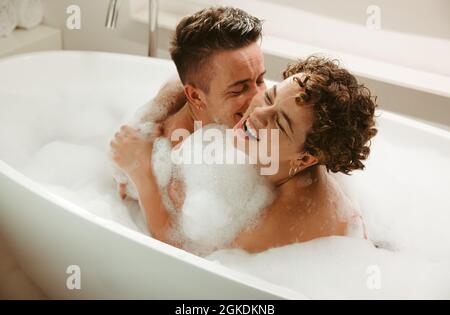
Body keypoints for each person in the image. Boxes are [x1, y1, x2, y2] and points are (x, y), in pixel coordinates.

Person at [111, 56, 377, 253]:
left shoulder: (282, 218)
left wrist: (142, 173)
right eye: (271, 96)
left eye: (280, 123)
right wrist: (153, 113)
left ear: (305, 159)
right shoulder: (271, 148)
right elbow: (187, 80)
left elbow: (182, 253)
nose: (258, 113)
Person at [114, 6, 267, 199]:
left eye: (261, 80)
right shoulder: (174, 167)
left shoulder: (174, 96)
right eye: (238, 89)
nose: (259, 98)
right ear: (195, 97)